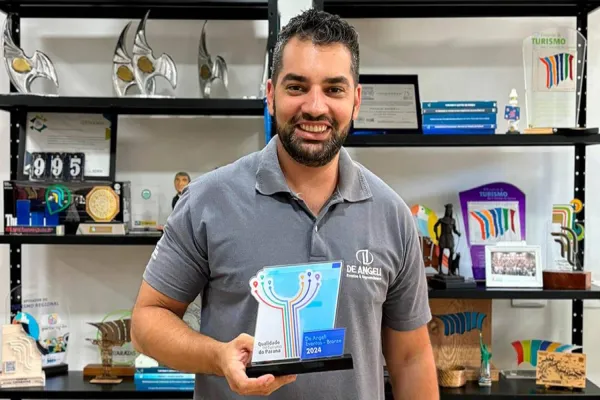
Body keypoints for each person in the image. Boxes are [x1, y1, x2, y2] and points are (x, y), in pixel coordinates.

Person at [131, 8, 438, 400]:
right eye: (296, 87)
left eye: (334, 89)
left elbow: (411, 358)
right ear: (271, 94)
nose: (315, 107)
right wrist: (217, 356)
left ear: (356, 100)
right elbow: (146, 321)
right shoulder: (207, 201)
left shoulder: (392, 215)